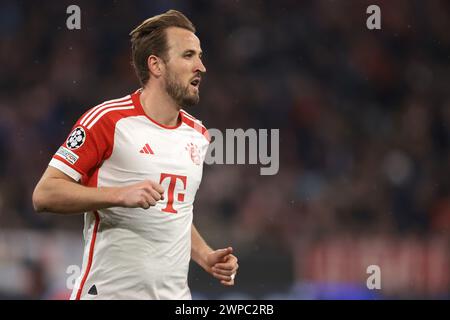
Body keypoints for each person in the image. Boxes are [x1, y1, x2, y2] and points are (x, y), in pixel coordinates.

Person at [32, 9, 238, 300]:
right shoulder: (107, 120)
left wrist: (204, 255)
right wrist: (118, 195)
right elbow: (44, 194)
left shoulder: (198, 135)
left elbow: (174, 212)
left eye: (200, 56)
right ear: (156, 65)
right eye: (188, 55)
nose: (201, 67)